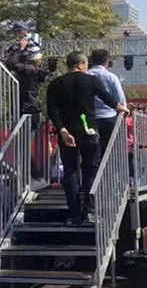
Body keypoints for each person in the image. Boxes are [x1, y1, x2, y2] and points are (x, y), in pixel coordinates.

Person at [45, 51, 129, 225]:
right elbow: (108, 99)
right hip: (89, 130)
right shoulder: (91, 80)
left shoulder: (56, 83)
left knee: (70, 171)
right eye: (85, 65)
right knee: (91, 169)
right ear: (81, 64)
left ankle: (74, 214)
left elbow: (52, 111)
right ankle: (89, 211)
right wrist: (122, 108)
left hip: (67, 132)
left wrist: (63, 131)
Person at [87, 48, 127, 153]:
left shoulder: (85, 76)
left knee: (91, 151)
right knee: (109, 152)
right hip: (109, 117)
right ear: (106, 62)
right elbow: (120, 99)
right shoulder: (111, 77)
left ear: (91, 60)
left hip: (89, 118)